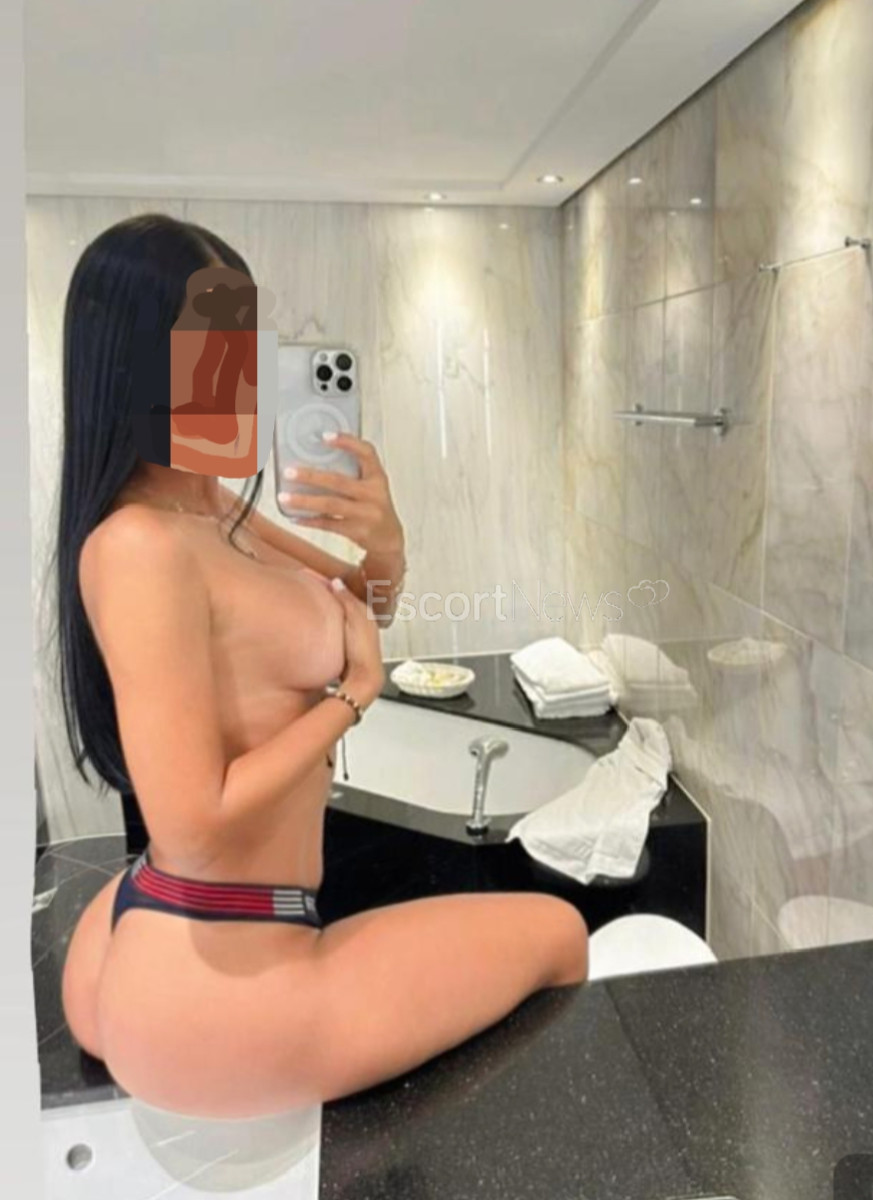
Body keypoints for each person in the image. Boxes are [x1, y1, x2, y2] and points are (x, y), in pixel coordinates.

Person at [56, 213, 588, 1120]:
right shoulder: (139, 545)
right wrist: (351, 700)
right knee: (563, 935)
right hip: (216, 973)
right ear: (141, 360)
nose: (244, 371)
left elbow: (361, 607)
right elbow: (190, 823)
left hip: (180, 924)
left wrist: (386, 542)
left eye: (245, 342)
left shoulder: (212, 508)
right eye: (214, 344)